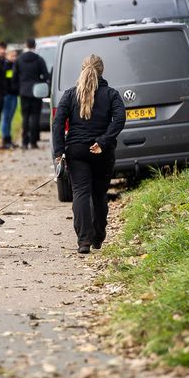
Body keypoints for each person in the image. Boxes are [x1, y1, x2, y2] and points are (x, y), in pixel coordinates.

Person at [51, 54, 125, 254]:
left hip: (76, 151)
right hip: (102, 152)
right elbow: (119, 119)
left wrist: (59, 152)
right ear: (102, 71)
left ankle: (84, 241)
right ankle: (98, 237)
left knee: (81, 193)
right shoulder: (111, 94)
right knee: (99, 194)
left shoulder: (70, 94)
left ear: (82, 69)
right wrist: (103, 141)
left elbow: (57, 123)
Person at [14, 38, 49, 150]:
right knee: (35, 116)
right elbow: (46, 75)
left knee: (25, 117)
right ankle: (33, 142)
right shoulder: (39, 59)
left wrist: (18, 87)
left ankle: (24, 142)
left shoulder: (19, 60)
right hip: (36, 91)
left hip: (23, 91)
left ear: (25, 45)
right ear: (34, 46)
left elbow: (14, 76)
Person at [0, 49, 21, 149]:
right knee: (6, 118)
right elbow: (9, 81)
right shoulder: (6, 66)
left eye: (15, 56)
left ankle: (9, 139)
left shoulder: (14, 65)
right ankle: (5, 140)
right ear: (7, 56)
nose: (14, 58)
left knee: (10, 118)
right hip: (7, 95)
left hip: (14, 95)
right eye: (12, 56)